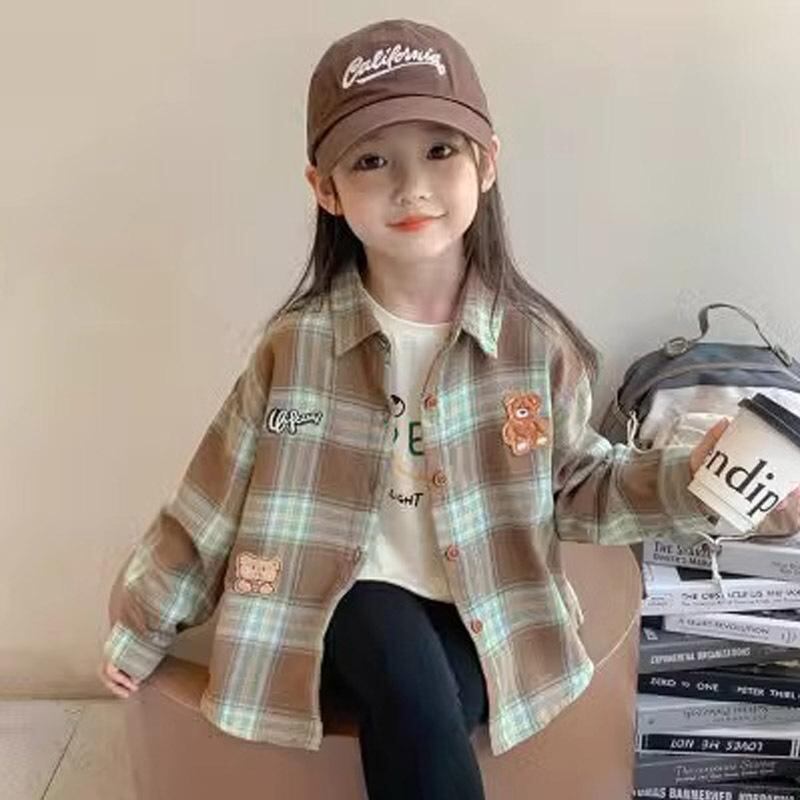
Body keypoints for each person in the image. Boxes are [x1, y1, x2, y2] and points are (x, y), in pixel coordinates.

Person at [99, 18, 800, 800]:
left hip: (484, 607)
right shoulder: (296, 348)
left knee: (430, 709)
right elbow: (211, 499)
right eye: (372, 161)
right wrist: (142, 621)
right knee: (395, 653)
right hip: (337, 601)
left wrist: (695, 479)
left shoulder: (532, 346)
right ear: (325, 189)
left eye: (440, 150)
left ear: (486, 163)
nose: (412, 187)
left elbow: (582, 489)